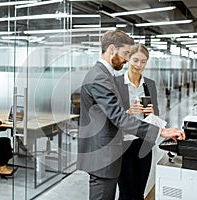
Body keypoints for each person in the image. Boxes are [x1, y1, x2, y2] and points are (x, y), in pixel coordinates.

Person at [76, 30, 185, 200]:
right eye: (126, 53)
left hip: (110, 154)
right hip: (104, 157)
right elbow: (119, 117)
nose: (127, 59)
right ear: (112, 49)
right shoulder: (101, 77)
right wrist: (160, 131)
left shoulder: (105, 75)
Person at [116, 44, 158, 200]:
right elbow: (108, 116)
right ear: (127, 59)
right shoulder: (116, 83)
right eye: (135, 60)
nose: (139, 65)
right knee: (126, 194)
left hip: (143, 144)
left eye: (143, 62)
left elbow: (155, 117)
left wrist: (152, 114)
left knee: (139, 193)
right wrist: (127, 112)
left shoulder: (150, 84)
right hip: (123, 145)